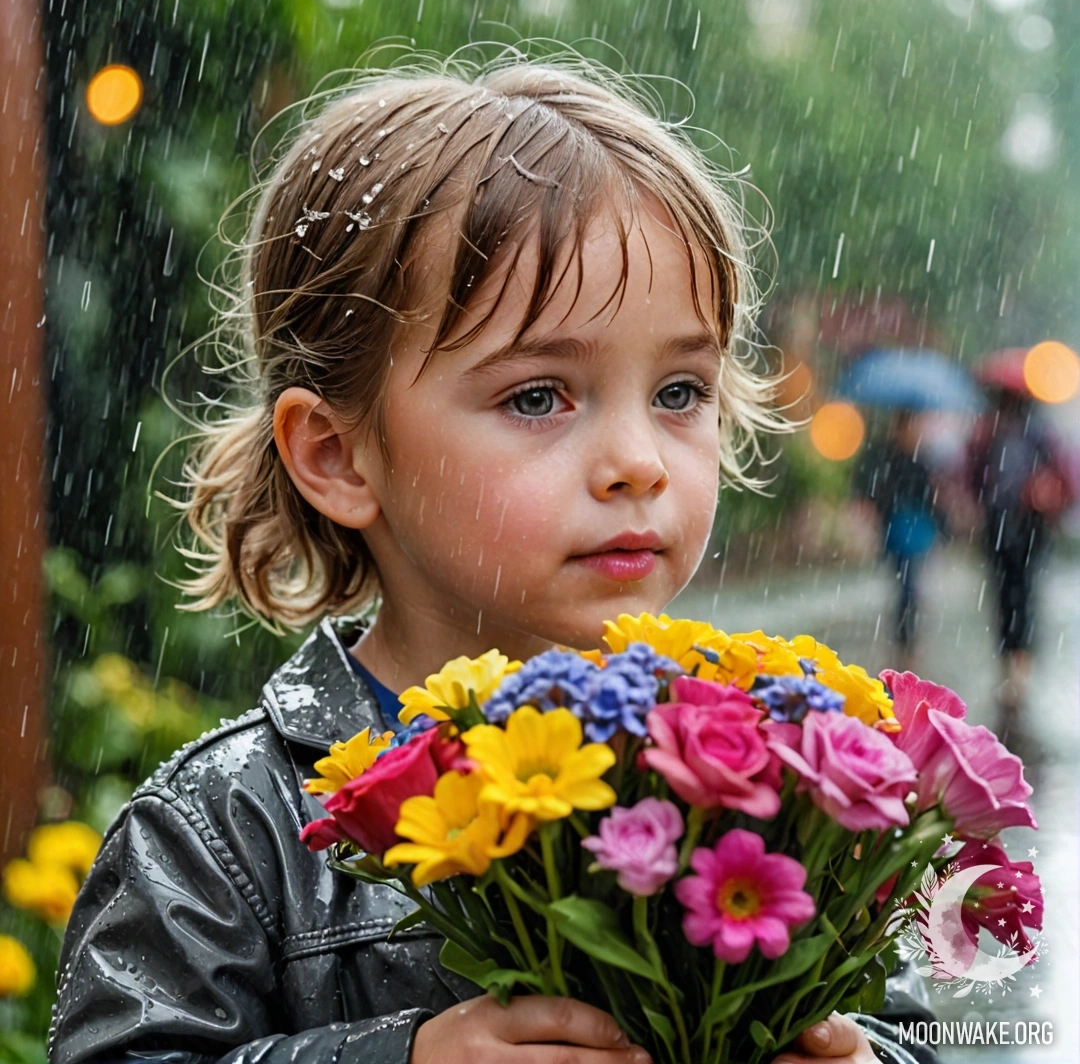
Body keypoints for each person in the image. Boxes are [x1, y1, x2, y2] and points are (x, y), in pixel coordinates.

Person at [48, 54, 939, 1064]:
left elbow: (903, 1026)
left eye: (680, 391)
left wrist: (863, 1057)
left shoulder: (775, 777)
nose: (638, 463)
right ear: (338, 457)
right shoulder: (226, 831)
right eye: (537, 396)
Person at [967, 387, 1073, 738]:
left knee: (1021, 594)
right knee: (1005, 595)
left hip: (1028, 526)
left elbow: (1064, 475)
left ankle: (1019, 666)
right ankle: (1011, 662)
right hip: (1000, 528)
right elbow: (974, 477)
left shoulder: (1038, 434)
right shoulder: (989, 433)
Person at [852, 410, 946, 668]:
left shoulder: (919, 459)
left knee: (909, 587)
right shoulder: (888, 457)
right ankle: (905, 639)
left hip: (916, 532)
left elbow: (931, 498)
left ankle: (907, 639)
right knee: (907, 588)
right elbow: (873, 489)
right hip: (898, 530)